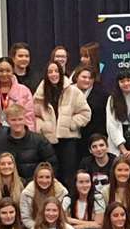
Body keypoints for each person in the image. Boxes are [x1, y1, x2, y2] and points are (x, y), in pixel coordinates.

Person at [36, 61, 92, 189]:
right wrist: (42, 127)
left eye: (56, 71)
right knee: (51, 176)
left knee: (69, 176)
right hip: (47, 141)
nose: (53, 74)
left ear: (61, 73)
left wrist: (71, 124)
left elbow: (85, 113)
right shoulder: (40, 93)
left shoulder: (73, 91)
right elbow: (34, 115)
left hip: (68, 141)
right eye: (50, 72)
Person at [0, 56, 35, 134]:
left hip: (17, 138)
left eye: (8, 71)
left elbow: (29, 118)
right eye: (1, 71)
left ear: (13, 71)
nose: (4, 74)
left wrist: (28, 138)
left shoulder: (24, 91)